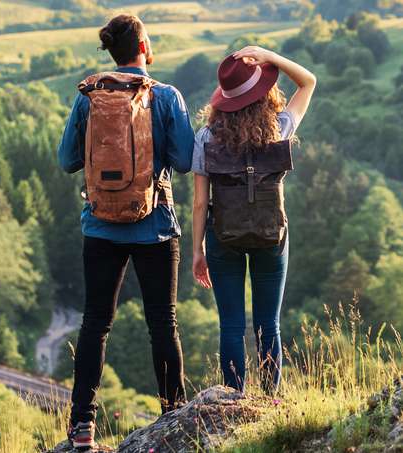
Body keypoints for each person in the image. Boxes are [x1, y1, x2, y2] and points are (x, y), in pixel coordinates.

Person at [57, 14, 194, 451]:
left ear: (112, 51)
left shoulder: (88, 97)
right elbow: (187, 160)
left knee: (95, 323)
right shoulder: (166, 97)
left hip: (100, 226)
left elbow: (66, 160)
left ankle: (82, 428)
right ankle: (173, 417)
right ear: (144, 46)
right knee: (163, 323)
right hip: (154, 225)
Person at [191, 47, 316, 393]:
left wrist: (197, 251)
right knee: (268, 324)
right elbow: (308, 82)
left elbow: (200, 204)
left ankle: (233, 399)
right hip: (271, 236)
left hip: (223, 237)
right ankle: (271, 398)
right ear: (264, 94)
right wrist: (269, 56)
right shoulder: (279, 128)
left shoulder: (206, 137)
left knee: (230, 325)